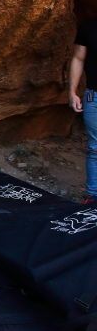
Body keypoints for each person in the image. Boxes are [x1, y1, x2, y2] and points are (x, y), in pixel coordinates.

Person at [69, 17, 97, 205]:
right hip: (94, 97)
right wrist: (72, 91)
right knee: (95, 148)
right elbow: (78, 58)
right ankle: (93, 196)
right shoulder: (89, 26)